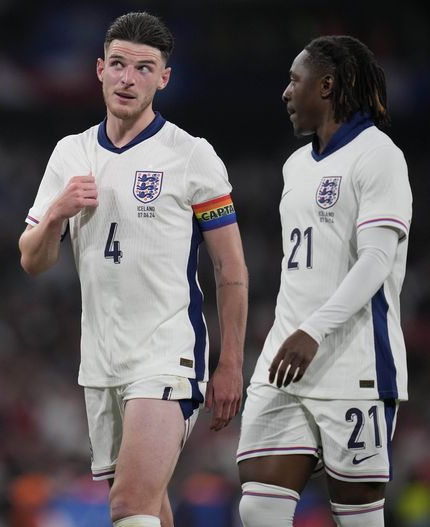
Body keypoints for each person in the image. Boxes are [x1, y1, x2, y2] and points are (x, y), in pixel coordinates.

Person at [19, 12, 248, 527]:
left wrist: (230, 361)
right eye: (118, 64)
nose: (128, 78)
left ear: (164, 78)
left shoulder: (191, 156)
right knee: (149, 509)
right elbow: (33, 260)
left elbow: (229, 269)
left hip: (166, 353)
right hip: (100, 360)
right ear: (99, 69)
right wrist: (57, 212)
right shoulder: (70, 153)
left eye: (144, 68)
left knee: (129, 507)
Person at [236, 35, 412, 527]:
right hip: (285, 359)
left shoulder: (378, 155)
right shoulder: (295, 165)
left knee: (356, 516)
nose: (286, 93)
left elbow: (377, 259)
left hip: (354, 363)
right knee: (258, 506)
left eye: (295, 81)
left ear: (328, 85)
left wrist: (314, 331)